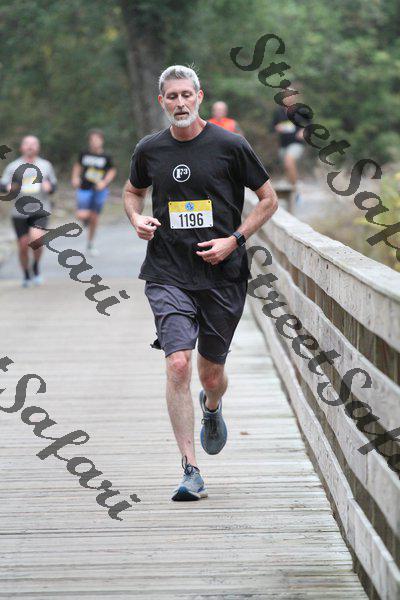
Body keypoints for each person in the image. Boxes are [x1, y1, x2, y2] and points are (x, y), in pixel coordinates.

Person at [123, 65, 278, 502]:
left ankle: (212, 406)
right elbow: (132, 192)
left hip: (223, 276)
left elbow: (269, 199)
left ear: (199, 96)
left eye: (186, 95)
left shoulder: (231, 145)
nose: (180, 103)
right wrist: (136, 218)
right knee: (178, 364)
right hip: (168, 271)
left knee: (211, 376)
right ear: (162, 102)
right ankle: (190, 469)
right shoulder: (150, 149)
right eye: (171, 96)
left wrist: (235, 240)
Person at [0, 135, 57, 287]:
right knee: (23, 245)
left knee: (36, 239)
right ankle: (26, 274)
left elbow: (53, 185)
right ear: (21, 147)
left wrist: (49, 187)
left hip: (40, 210)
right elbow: (3, 185)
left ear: (38, 147)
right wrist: (7, 187)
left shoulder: (45, 165)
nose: (30, 146)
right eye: (27, 143)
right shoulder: (13, 167)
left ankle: (36, 267)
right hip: (19, 212)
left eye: (33, 144)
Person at [71, 129, 117, 255]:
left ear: (102, 141)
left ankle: (90, 243)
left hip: (99, 189)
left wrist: (104, 182)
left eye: (97, 139)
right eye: (92, 140)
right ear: (89, 142)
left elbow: (112, 171)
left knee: (95, 217)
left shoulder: (106, 156)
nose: (95, 142)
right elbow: (77, 165)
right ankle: (86, 219)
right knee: (81, 214)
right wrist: (75, 177)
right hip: (84, 187)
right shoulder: (84, 153)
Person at [271, 86, 309, 199]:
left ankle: (295, 190)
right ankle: (294, 193)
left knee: (289, 161)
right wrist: (277, 127)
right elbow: (271, 127)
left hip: (297, 143)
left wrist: (303, 131)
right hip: (283, 144)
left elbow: (310, 124)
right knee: (288, 168)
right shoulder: (278, 112)